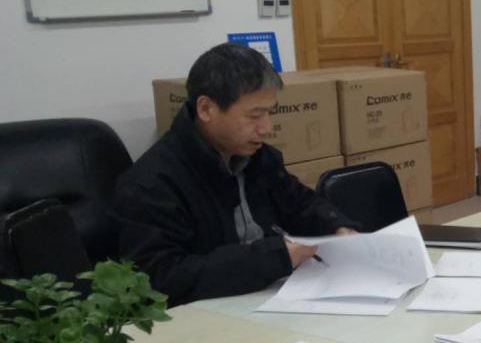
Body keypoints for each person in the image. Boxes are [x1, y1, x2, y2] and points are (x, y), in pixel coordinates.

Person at [114, 43, 359, 305]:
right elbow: (160, 277)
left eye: (269, 112)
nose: (266, 128)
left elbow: (298, 202)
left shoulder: (257, 157)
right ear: (206, 109)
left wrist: (336, 227)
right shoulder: (152, 182)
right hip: (210, 312)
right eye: (254, 115)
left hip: (270, 294)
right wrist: (275, 257)